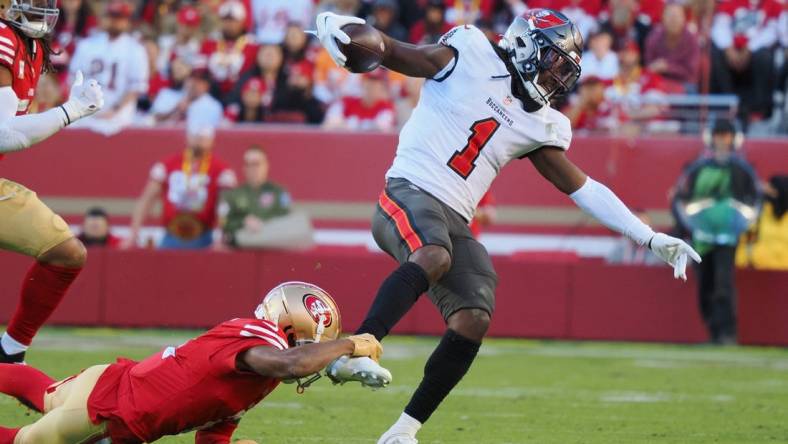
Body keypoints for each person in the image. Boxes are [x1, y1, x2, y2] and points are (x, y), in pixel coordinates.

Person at [313, 8, 701, 443]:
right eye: (554, 62)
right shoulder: (470, 52)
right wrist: (346, 31)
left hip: (453, 217)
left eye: (564, 70)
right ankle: (356, 347)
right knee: (435, 254)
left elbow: (584, 188)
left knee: (474, 315)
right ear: (526, 45)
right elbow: (393, 51)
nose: (558, 78)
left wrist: (647, 237)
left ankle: (403, 432)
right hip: (407, 192)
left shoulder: (542, 122)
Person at [0, 282, 391, 443]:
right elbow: (290, 364)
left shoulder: (257, 373)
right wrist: (346, 346)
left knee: (43, 392)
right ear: (293, 327)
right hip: (106, 412)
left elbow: (212, 428)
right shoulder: (263, 343)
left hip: (110, 384)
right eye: (313, 345)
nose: (317, 357)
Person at [0, 0, 104, 364]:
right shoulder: (3, 38)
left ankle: (10, 351)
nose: (41, 6)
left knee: (66, 253)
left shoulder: (25, 43)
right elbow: (3, 134)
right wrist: (69, 111)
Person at [672, 118, 760, 344]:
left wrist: (744, 227)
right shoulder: (696, 168)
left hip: (728, 238)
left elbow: (754, 203)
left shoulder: (742, 170)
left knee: (723, 286)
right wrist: (686, 228)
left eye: (727, 135)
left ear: (735, 139)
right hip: (700, 237)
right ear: (711, 138)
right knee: (705, 287)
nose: (723, 140)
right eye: (719, 135)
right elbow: (680, 201)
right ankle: (713, 333)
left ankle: (727, 335)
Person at [124, 119, 236, 250]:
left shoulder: (221, 170)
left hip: (203, 236)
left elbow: (226, 206)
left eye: (203, 138)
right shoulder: (167, 165)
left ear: (212, 141)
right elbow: (146, 200)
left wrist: (222, 238)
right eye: (196, 136)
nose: (199, 141)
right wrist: (133, 234)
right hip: (172, 234)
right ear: (187, 138)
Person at [68, 0, 147, 136]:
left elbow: (136, 88)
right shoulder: (87, 45)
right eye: (112, 16)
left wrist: (115, 110)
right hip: (84, 113)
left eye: (120, 18)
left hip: (119, 118)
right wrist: (83, 105)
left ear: (127, 21)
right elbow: (73, 79)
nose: (115, 21)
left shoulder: (136, 49)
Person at [221, 147, 293, 246]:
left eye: (256, 164)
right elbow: (226, 223)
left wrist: (262, 222)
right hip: (242, 249)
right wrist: (243, 221)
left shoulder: (278, 192)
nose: (252, 169)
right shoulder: (234, 195)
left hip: (272, 247)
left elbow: (286, 219)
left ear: (266, 166)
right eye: (248, 165)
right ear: (244, 168)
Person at [644, 2, 700, 89]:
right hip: (659, 83)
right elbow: (649, 67)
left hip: (684, 84)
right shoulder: (653, 38)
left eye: (677, 16)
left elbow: (691, 73)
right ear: (663, 18)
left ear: (684, 19)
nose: (673, 20)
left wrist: (668, 67)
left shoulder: (691, 40)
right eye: (670, 16)